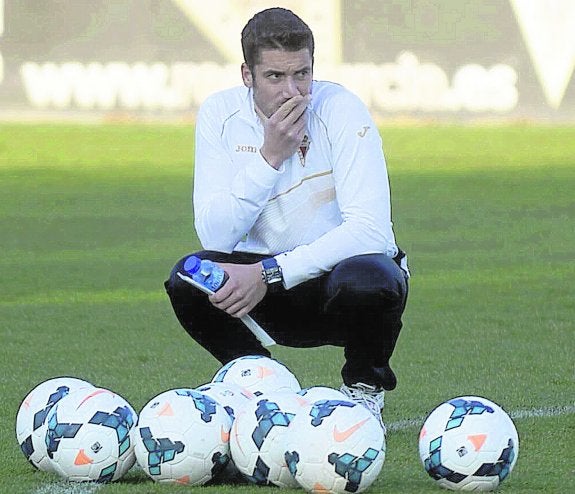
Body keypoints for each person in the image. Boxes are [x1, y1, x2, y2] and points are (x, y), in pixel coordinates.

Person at [164, 7, 409, 429]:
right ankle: (259, 387)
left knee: (374, 276)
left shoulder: (342, 109)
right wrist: (270, 156)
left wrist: (269, 273)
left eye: (302, 75)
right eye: (275, 77)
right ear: (247, 75)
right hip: (260, 292)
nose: (292, 91)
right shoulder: (220, 115)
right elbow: (215, 234)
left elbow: (372, 231)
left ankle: (363, 393)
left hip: (335, 285)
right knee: (188, 277)